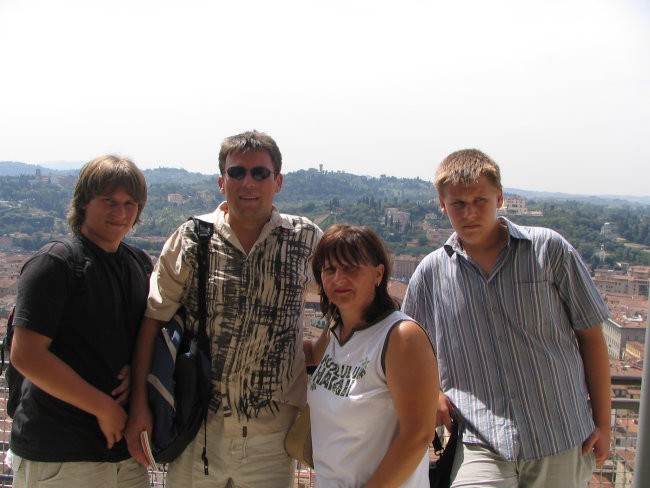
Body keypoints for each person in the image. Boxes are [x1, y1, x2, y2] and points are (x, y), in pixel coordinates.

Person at [402, 149, 611, 488]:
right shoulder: (430, 273)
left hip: (559, 434)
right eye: (458, 204)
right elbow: (409, 352)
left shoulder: (549, 249)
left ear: (499, 197)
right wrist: (432, 393)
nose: (470, 212)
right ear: (442, 205)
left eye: (480, 200)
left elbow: (591, 335)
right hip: (479, 441)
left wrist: (604, 423)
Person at [125, 130, 322, 487]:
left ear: (277, 181)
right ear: (221, 182)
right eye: (237, 172)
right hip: (198, 428)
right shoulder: (190, 238)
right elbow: (154, 319)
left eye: (260, 173)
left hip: (273, 438)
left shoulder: (304, 238)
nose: (248, 182)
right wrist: (139, 404)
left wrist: (313, 352)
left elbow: (346, 306)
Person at [7, 155, 152, 488]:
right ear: (85, 202)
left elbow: (144, 335)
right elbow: (26, 355)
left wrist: (136, 367)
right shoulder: (55, 262)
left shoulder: (138, 264)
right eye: (109, 201)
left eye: (130, 203)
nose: (121, 212)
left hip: (122, 456)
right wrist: (103, 407)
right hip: (59, 453)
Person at [304, 224, 438, 488]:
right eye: (330, 269)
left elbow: (418, 435)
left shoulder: (401, 336)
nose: (338, 278)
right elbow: (308, 355)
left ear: (378, 274)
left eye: (351, 267)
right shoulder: (335, 331)